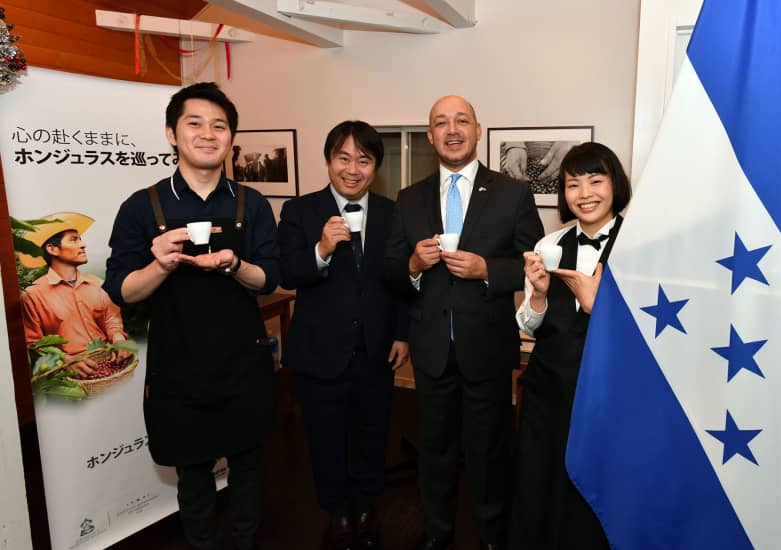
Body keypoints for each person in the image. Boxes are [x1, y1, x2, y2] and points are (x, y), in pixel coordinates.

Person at [103, 82, 279, 550]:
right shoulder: (143, 207)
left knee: (248, 467)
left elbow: (271, 279)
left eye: (219, 125)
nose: (207, 134)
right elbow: (121, 292)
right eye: (194, 123)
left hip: (244, 365)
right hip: (178, 369)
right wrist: (158, 264)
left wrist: (235, 264)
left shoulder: (251, 204)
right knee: (192, 474)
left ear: (230, 139)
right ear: (171, 134)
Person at [383, 95, 544, 550]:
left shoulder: (512, 193)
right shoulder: (409, 198)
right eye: (440, 123)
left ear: (477, 129)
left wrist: (487, 270)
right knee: (433, 453)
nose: (452, 130)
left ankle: (493, 537)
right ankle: (437, 533)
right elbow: (390, 269)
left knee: (490, 453)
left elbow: (532, 262)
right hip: (432, 350)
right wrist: (413, 263)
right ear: (430, 135)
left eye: (461, 121)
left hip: (487, 349)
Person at [278, 120, 409, 550]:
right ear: (329, 161)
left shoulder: (393, 213)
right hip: (319, 351)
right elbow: (287, 271)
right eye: (344, 158)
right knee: (324, 437)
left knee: (374, 434)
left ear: (376, 166)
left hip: (376, 349)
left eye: (364, 160)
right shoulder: (300, 211)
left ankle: (368, 507)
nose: (353, 169)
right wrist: (321, 250)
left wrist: (402, 333)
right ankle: (336, 512)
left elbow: (401, 282)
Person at [511, 142, 632, 550]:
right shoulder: (550, 245)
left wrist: (600, 307)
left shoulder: (640, 247)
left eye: (596, 181)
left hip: (611, 396)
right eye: (573, 184)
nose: (585, 194)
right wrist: (541, 295)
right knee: (543, 484)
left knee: (598, 487)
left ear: (615, 184)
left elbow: (656, 337)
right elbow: (528, 324)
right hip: (549, 390)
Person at [20, 212, 130, 377]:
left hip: (110, 366)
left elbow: (111, 320)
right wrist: (66, 361)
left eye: (80, 239)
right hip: (69, 378)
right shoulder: (33, 295)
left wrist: (118, 339)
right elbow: (33, 345)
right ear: (52, 249)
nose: (83, 244)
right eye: (73, 239)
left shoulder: (97, 284)